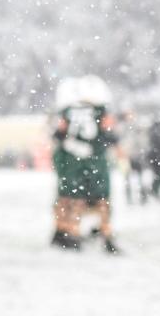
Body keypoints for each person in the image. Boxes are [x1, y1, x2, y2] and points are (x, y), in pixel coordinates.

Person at [50, 76, 120, 254]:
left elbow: (58, 134)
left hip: (73, 162)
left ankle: (68, 232)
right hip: (95, 160)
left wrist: (69, 144)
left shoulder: (67, 110)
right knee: (101, 199)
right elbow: (109, 134)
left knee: (71, 198)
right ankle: (106, 234)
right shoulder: (100, 110)